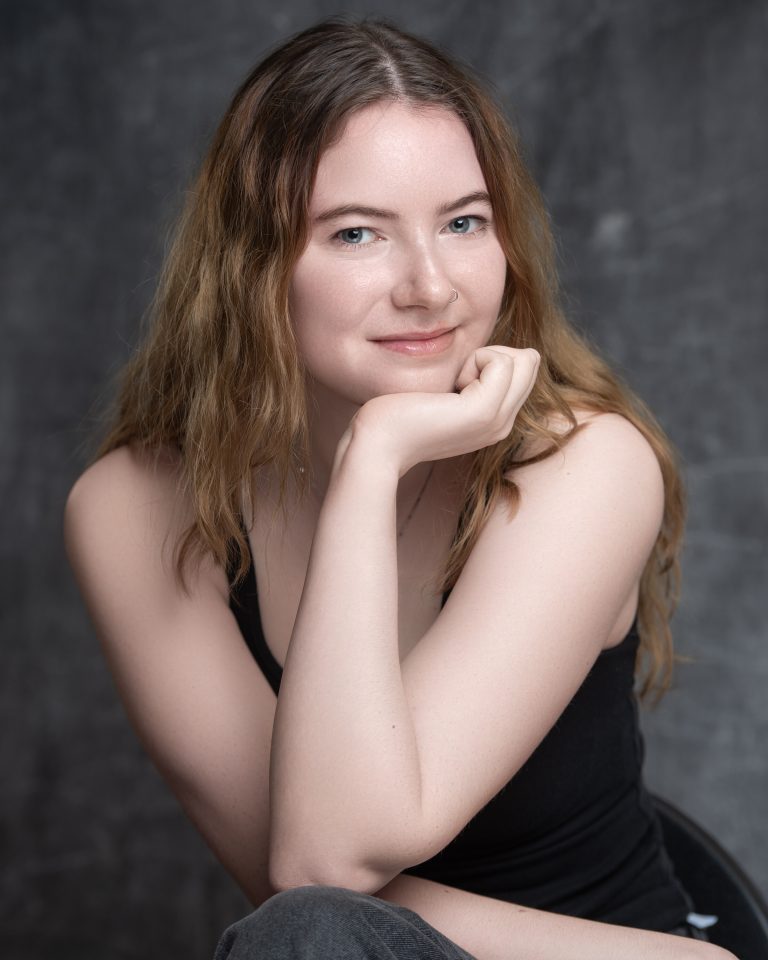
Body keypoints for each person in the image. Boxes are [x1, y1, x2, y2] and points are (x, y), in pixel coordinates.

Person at [64, 17, 735, 960]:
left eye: (464, 222)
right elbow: (319, 862)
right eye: (356, 234)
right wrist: (373, 467)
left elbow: (327, 883)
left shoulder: (586, 467)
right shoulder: (134, 509)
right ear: (251, 264)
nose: (430, 286)